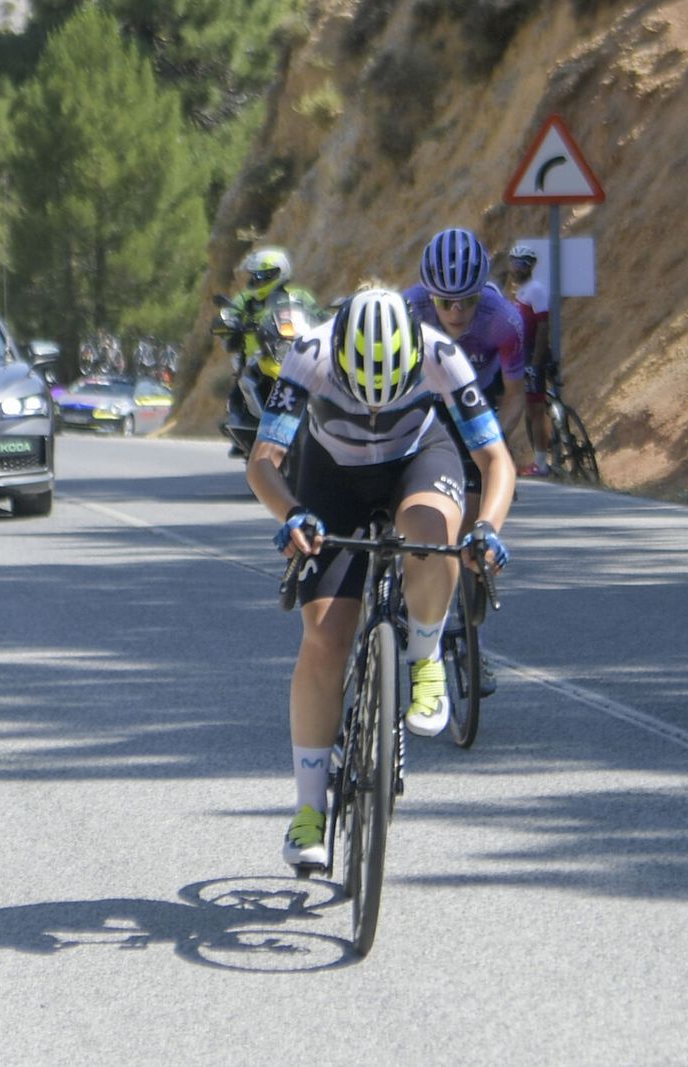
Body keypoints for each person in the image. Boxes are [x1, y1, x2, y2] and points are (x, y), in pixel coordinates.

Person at [246, 286, 514, 868]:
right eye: (360, 394)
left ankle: (424, 660)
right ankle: (309, 810)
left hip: (416, 459)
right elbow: (263, 462)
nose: (371, 409)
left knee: (431, 534)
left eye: (384, 396)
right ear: (338, 353)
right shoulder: (308, 355)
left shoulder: (442, 355)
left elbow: (497, 460)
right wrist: (291, 513)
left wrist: (488, 527)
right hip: (331, 473)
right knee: (324, 637)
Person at [403, 227, 526, 696]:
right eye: (445, 302)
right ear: (427, 294)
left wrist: (490, 442)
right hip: (421, 405)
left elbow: (515, 398)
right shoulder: (407, 309)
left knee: (473, 540)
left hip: (478, 406)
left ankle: (473, 640)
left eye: (467, 302)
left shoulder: (503, 321)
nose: (456, 313)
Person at [224, 246, 323, 455]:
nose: (256, 280)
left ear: (277, 274)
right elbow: (229, 315)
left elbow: (317, 314)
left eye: (261, 275)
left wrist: (327, 320)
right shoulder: (246, 301)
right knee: (237, 391)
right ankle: (241, 434)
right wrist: (229, 323)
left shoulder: (298, 295)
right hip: (255, 356)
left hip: (292, 350)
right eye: (254, 275)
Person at [507, 243, 555, 477]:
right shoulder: (522, 291)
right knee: (529, 408)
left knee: (536, 410)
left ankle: (542, 464)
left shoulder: (536, 290)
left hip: (532, 355)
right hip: (522, 354)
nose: (518, 267)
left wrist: (536, 361)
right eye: (515, 262)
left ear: (531, 265)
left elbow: (544, 325)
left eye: (523, 263)